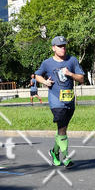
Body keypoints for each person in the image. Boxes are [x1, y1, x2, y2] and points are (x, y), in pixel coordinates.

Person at [36, 35, 84, 169]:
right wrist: (45, 81)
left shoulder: (72, 60)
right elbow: (37, 75)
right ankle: (66, 158)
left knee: (62, 129)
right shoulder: (47, 63)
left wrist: (70, 74)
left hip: (69, 99)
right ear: (53, 48)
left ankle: (54, 152)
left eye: (64, 46)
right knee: (62, 127)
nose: (63, 48)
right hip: (55, 100)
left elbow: (81, 79)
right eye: (60, 46)